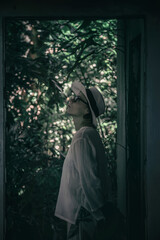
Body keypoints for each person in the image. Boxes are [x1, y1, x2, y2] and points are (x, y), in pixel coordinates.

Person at [55, 81, 109, 240]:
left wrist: (99, 216)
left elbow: (89, 180)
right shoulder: (88, 134)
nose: (70, 100)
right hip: (84, 215)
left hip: (82, 215)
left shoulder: (82, 136)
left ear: (87, 110)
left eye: (77, 99)